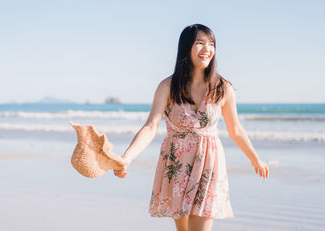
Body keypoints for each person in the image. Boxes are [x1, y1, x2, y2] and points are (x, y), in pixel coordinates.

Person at [114, 24, 269, 231]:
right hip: (177, 163)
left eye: (211, 44)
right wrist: (127, 158)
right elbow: (151, 126)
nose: (207, 49)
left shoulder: (223, 88)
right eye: (200, 43)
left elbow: (236, 129)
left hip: (209, 164)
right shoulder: (168, 86)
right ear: (186, 47)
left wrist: (254, 158)